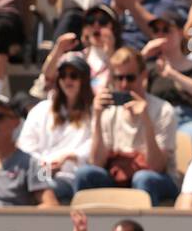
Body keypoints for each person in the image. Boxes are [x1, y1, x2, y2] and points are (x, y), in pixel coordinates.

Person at [74, 47, 179, 203]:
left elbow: (157, 166)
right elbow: (97, 162)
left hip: (156, 178)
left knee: (143, 178)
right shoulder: (107, 110)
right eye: (118, 78)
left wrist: (146, 119)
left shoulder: (163, 110)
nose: (124, 84)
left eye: (130, 78)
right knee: (85, 174)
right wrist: (97, 116)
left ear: (143, 76)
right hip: (117, 176)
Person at [17, 52, 93, 206]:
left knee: (49, 190)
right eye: (63, 75)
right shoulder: (41, 109)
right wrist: (44, 166)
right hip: (40, 174)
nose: (67, 80)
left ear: (84, 80)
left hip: (72, 175)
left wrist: (69, 157)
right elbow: (26, 146)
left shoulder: (94, 112)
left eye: (74, 75)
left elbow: (95, 145)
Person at [144, 2, 192, 153]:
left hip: (188, 120)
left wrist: (173, 74)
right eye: (156, 30)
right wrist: (143, 55)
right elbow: (129, 90)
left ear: (179, 32)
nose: (161, 35)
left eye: (166, 30)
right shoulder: (148, 67)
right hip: (156, 120)